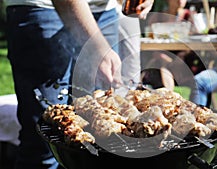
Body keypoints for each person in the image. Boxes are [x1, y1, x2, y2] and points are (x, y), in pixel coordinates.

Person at [4, 0, 153, 168]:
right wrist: (97, 46)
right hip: (44, 7)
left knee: (101, 141)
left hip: (104, 10)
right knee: (45, 145)